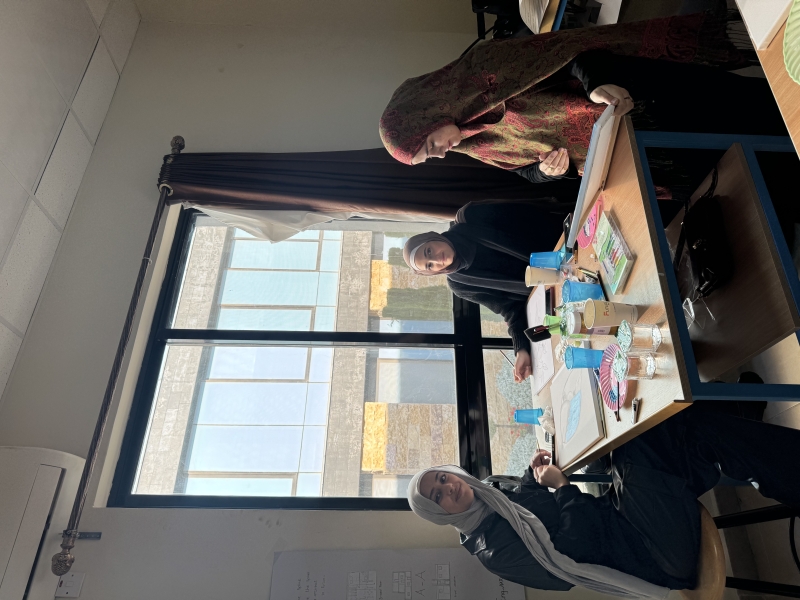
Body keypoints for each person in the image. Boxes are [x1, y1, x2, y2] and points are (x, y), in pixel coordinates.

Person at [408, 402, 800, 596]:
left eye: (443, 478)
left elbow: (529, 504)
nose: (449, 488)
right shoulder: (494, 551)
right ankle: (745, 426)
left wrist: (532, 471)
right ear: (439, 515)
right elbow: (575, 554)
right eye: (438, 497)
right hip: (649, 554)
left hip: (623, 519)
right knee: (641, 434)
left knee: (672, 429)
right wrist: (564, 489)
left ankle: (752, 440)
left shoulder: (490, 497)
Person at [379, 12, 787, 184]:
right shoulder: (473, 143)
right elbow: (523, 170)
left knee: (760, 112)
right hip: (635, 149)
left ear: (427, 114)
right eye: (430, 157)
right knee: (746, 167)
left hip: (642, 98)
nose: (442, 153)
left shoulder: (485, 69)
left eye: (430, 146)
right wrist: (546, 171)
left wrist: (593, 84)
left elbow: (567, 54)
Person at [403, 195, 578, 383]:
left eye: (428, 251)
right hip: (562, 289)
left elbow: (531, 213)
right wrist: (521, 349)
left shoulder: (470, 217)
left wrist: (565, 251)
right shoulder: (460, 284)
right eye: (429, 265)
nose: (437, 259)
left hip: (570, 240)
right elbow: (510, 309)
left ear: (431, 237)